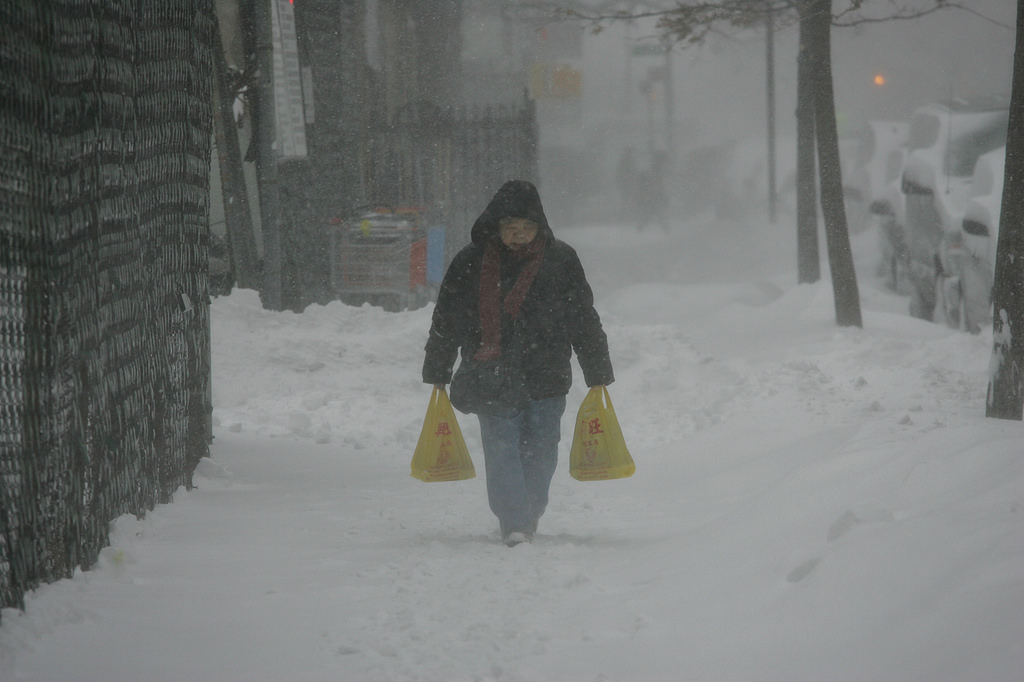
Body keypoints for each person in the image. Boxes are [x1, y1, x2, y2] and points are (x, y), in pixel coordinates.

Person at [422, 180, 614, 547]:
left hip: (547, 370)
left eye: (526, 229)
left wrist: (597, 368)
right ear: (495, 227)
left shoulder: (561, 260)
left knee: (542, 448)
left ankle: (531, 509)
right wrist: (438, 368)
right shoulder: (470, 261)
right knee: (501, 447)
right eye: (510, 228)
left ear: (539, 228)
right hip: (489, 372)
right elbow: (448, 318)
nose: (518, 237)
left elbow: (582, 316)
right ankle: (515, 522)